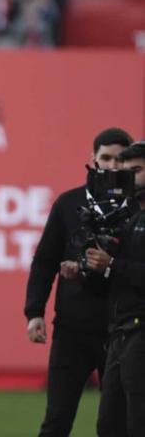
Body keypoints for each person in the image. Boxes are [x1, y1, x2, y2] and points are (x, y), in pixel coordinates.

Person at [24, 127, 133, 437]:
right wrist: (34, 312)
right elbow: (44, 261)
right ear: (93, 159)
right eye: (106, 157)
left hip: (121, 330)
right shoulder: (69, 203)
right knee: (56, 420)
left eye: (120, 159)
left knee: (116, 424)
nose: (112, 165)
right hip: (72, 329)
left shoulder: (137, 208)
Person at [85, 142, 145, 437]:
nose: (129, 178)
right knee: (109, 425)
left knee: (138, 424)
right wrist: (94, 267)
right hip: (121, 332)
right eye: (126, 171)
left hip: (140, 331)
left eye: (136, 170)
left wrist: (113, 265)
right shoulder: (132, 218)